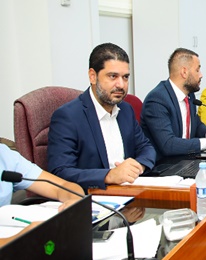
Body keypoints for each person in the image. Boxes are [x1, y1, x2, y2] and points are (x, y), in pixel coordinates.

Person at [47, 43, 156, 191]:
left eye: (125, 77)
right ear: (93, 76)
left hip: (129, 190)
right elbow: (60, 172)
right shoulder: (68, 116)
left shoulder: (126, 110)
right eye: (113, 76)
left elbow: (146, 147)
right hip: (93, 196)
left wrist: (138, 167)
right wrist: (108, 175)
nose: (121, 85)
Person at [140, 48, 206, 159]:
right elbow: (168, 144)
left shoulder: (190, 95)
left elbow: (196, 125)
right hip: (164, 165)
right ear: (184, 72)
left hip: (186, 159)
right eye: (197, 70)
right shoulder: (157, 100)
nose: (201, 75)